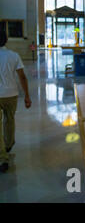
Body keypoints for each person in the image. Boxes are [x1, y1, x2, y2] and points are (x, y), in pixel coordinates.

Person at [0, 30, 31, 173]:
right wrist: (27, 96)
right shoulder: (13, 56)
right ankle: (8, 144)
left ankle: (2, 158)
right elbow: (22, 77)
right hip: (11, 94)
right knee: (9, 119)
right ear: (6, 40)